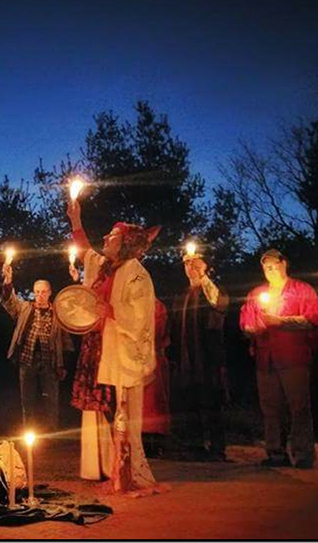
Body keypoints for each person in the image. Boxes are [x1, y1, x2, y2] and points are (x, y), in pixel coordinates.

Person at [67, 197, 160, 492]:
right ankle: (113, 470)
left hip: (122, 353)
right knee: (106, 410)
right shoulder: (108, 268)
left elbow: (142, 316)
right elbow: (86, 253)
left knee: (124, 414)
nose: (106, 238)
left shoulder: (136, 274)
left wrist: (114, 312)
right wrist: (76, 221)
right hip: (101, 349)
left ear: (126, 244)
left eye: (113, 235)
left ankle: (131, 474)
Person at [239, 249, 318, 469]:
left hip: (293, 357)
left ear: (284, 264)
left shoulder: (302, 290)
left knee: (298, 407)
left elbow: (314, 320)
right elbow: (246, 324)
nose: (270, 269)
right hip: (265, 359)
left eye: (274, 265)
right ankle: (276, 452)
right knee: (270, 408)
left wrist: (280, 321)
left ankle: (303, 453)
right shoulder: (256, 294)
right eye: (266, 267)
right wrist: (254, 328)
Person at [170, 254, 230, 462]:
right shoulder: (181, 295)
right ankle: (195, 446)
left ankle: (217, 448)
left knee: (212, 402)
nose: (191, 266)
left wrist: (203, 276)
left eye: (196, 262)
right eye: (186, 262)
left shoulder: (213, 290)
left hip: (208, 359)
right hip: (186, 359)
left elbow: (217, 302)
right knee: (189, 403)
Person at [0, 266, 72, 434]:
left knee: (51, 401)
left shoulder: (58, 313)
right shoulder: (25, 308)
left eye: (43, 292)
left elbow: (66, 340)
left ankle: (52, 433)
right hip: (27, 360)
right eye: (37, 292)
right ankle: (29, 433)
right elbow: (8, 301)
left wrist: (64, 364)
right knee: (27, 400)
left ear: (50, 293)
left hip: (49, 361)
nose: (39, 295)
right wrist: (8, 281)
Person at [141, 298, 172, 458]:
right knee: (145, 405)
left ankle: (156, 444)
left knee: (154, 403)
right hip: (139, 360)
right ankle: (147, 444)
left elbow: (157, 331)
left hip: (153, 359)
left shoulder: (156, 306)